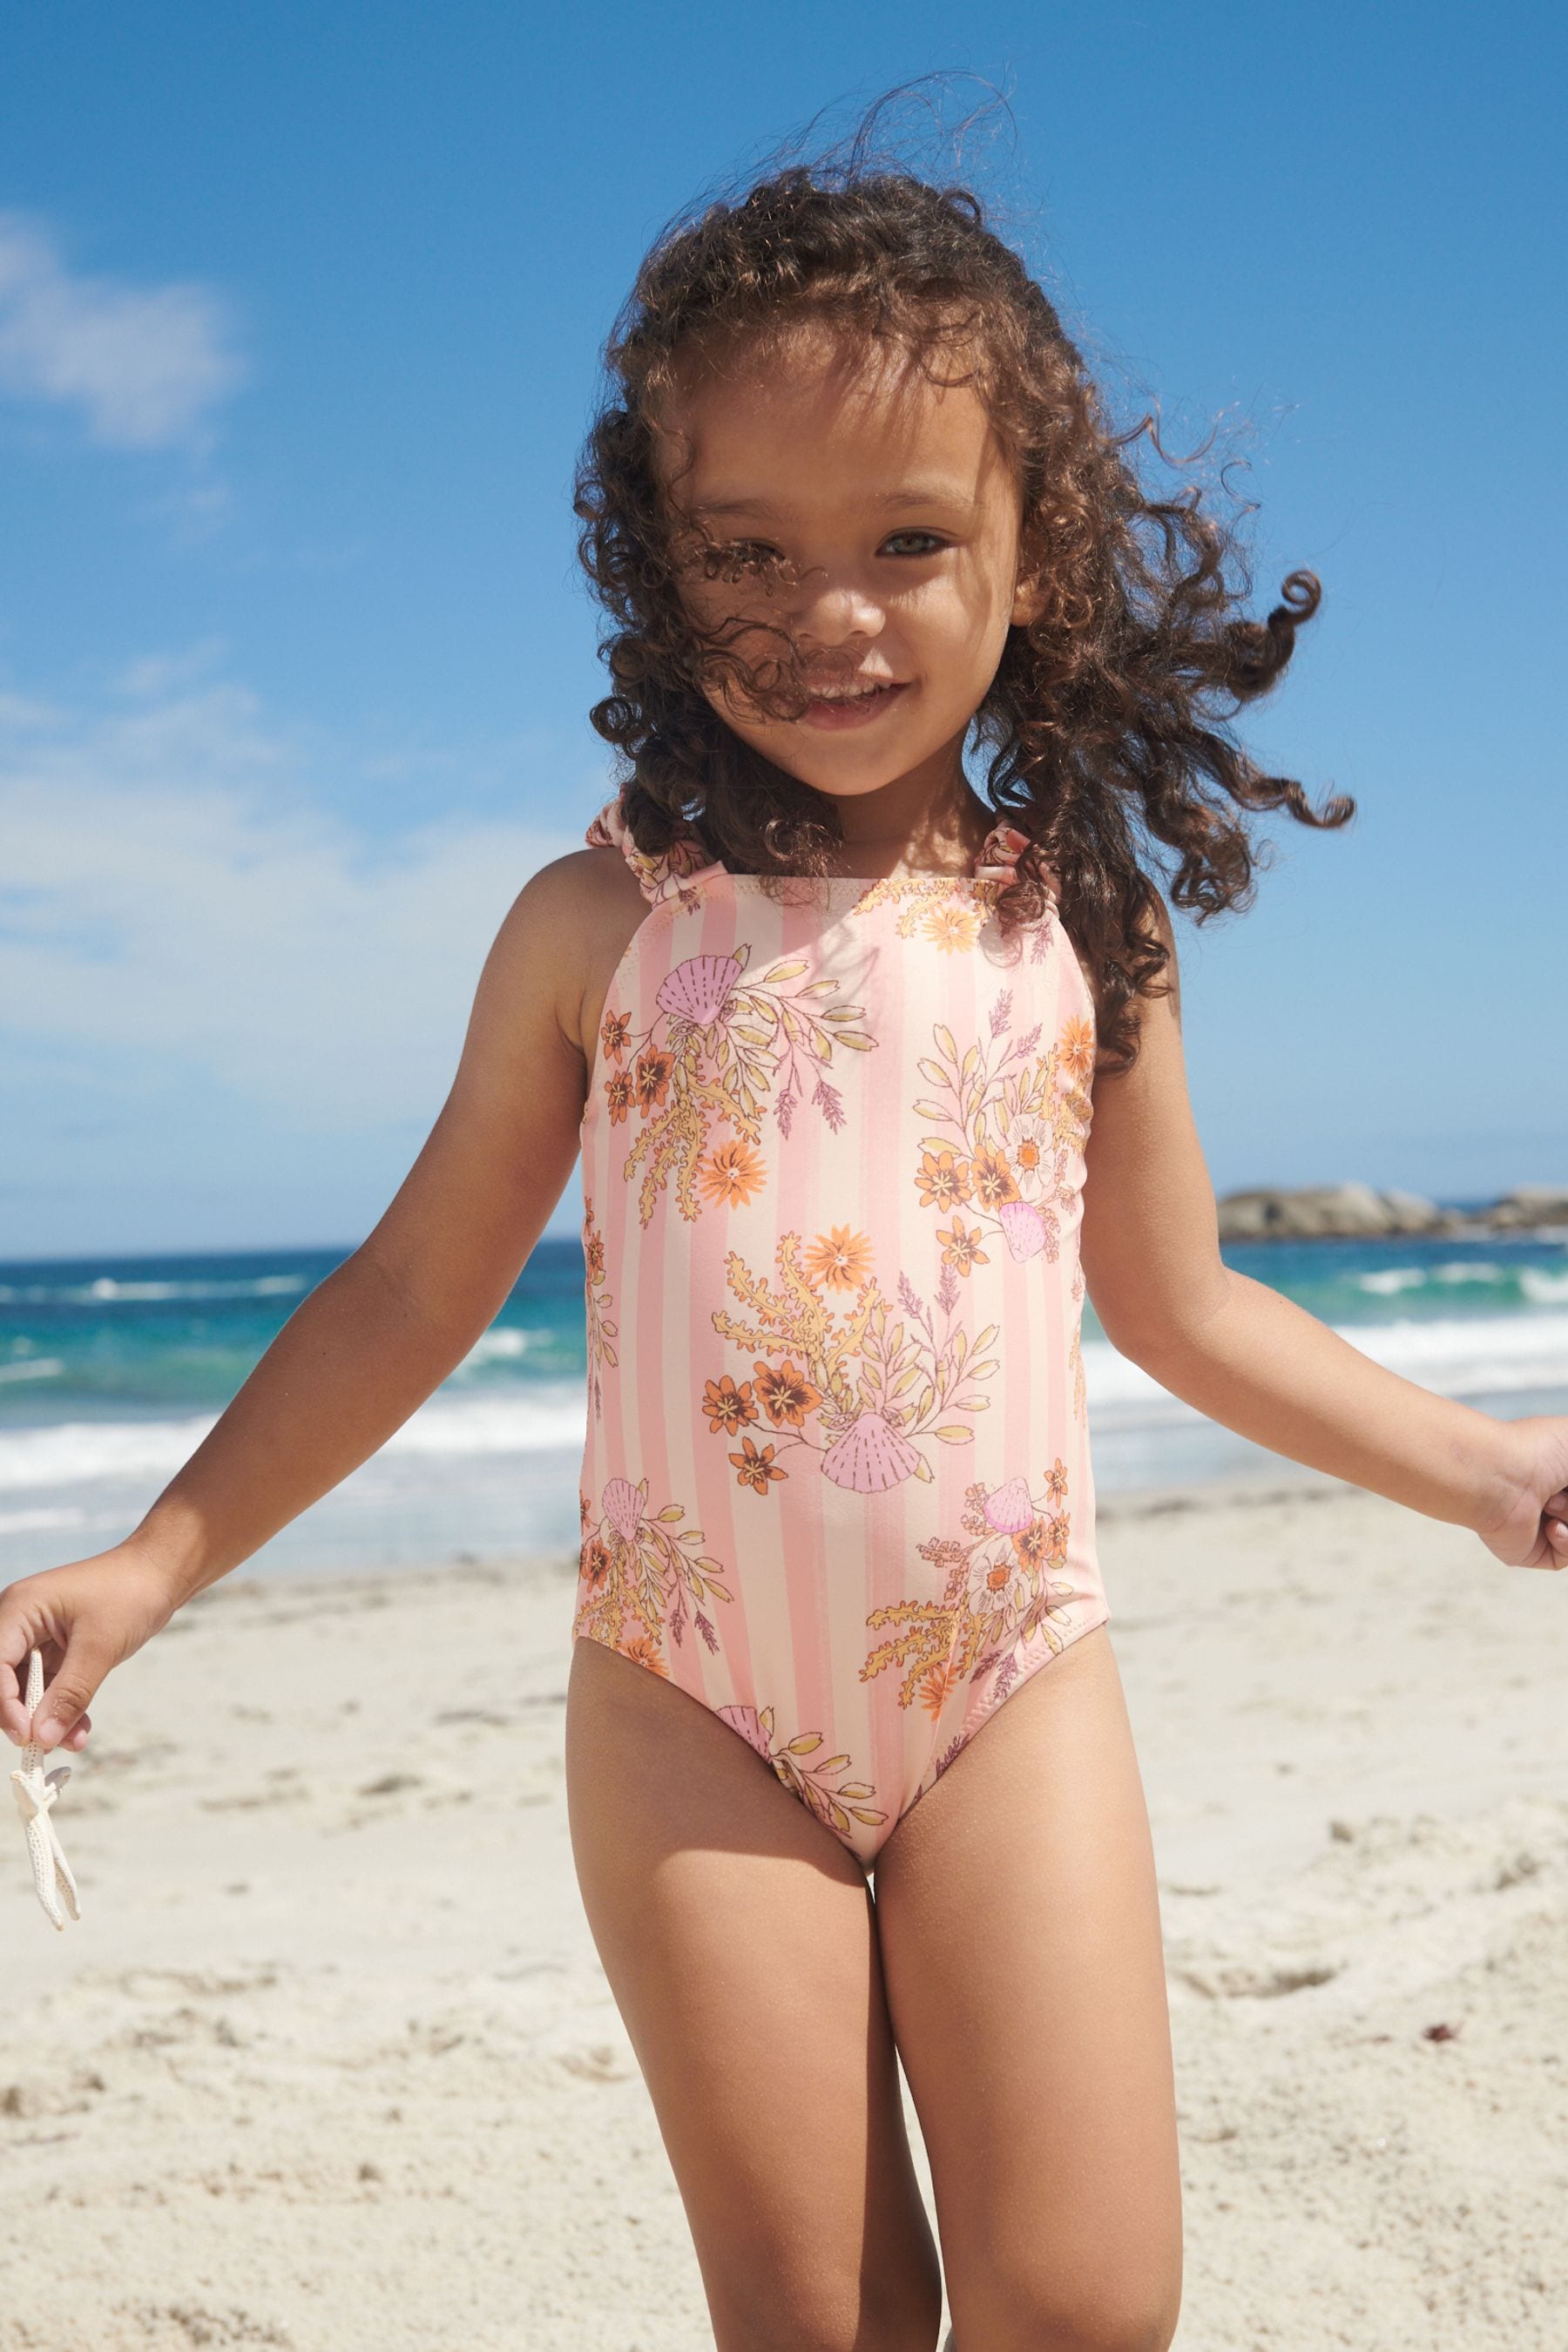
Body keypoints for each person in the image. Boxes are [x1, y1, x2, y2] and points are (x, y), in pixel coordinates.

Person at [4, 143, 1566, 2352]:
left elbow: (1185, 1305)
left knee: (1089, 2304)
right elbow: (408, 1291)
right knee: (825, 2322)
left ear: (1039, 553)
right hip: (687, 1702)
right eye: (749, 550)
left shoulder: (1082, 932)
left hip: (1009, 1667)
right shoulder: (601, 925)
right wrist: (148, 1564)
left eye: (909, 542)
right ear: (660, 570)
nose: (831, 616)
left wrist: (1493, 1470)